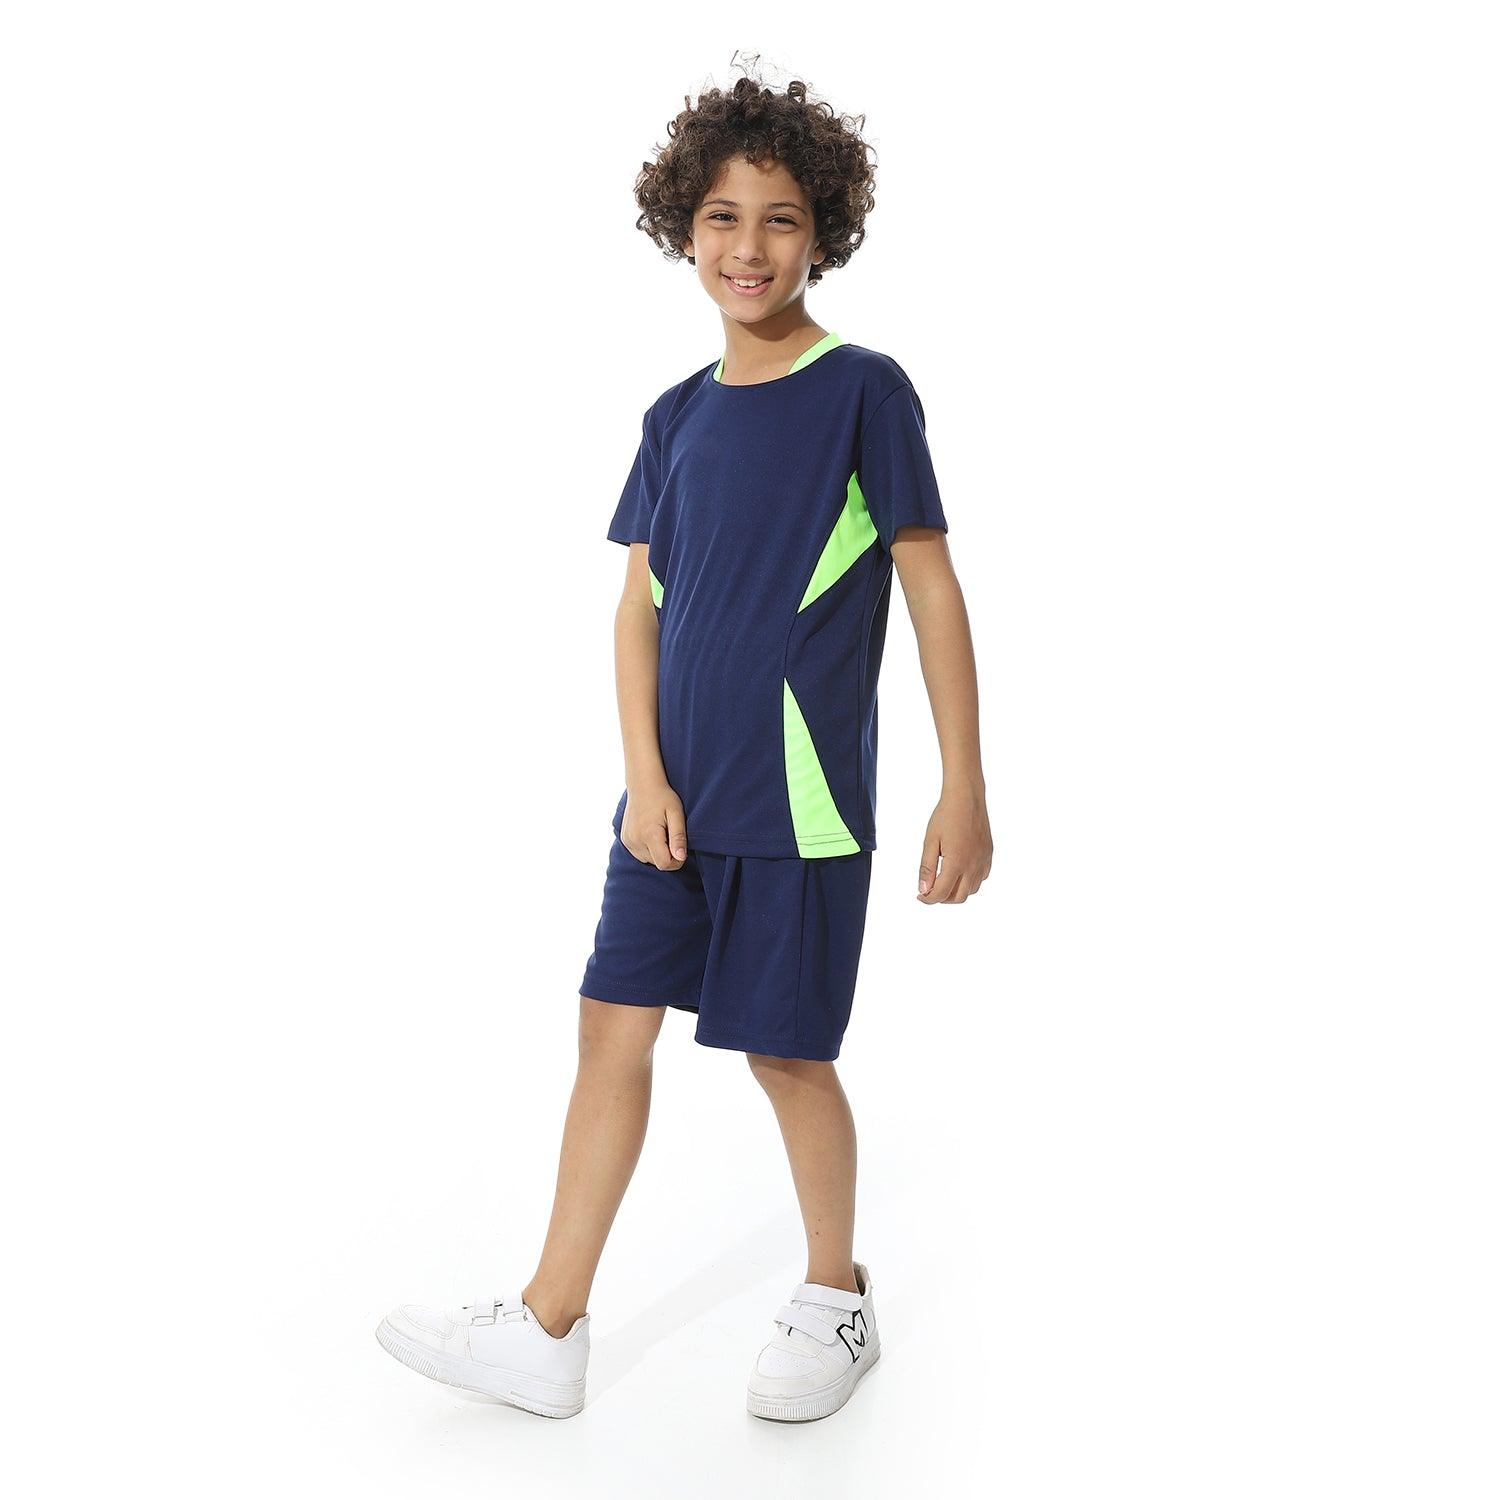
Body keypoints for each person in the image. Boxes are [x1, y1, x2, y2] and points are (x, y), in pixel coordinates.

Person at [377, 70, 991, 1423]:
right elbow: (637, 607)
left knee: (787, 1054)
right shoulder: (675, 415)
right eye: (723, 216)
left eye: (781, 219)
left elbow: (930, 583)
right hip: (667, 803)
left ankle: (833, 1297)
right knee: (609, 1027)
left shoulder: (864, 390)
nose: (748, 247)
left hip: (798, 798)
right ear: (684, 228)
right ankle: (548, 1326)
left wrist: (965, 784)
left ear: (824, 231)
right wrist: (643, 780)